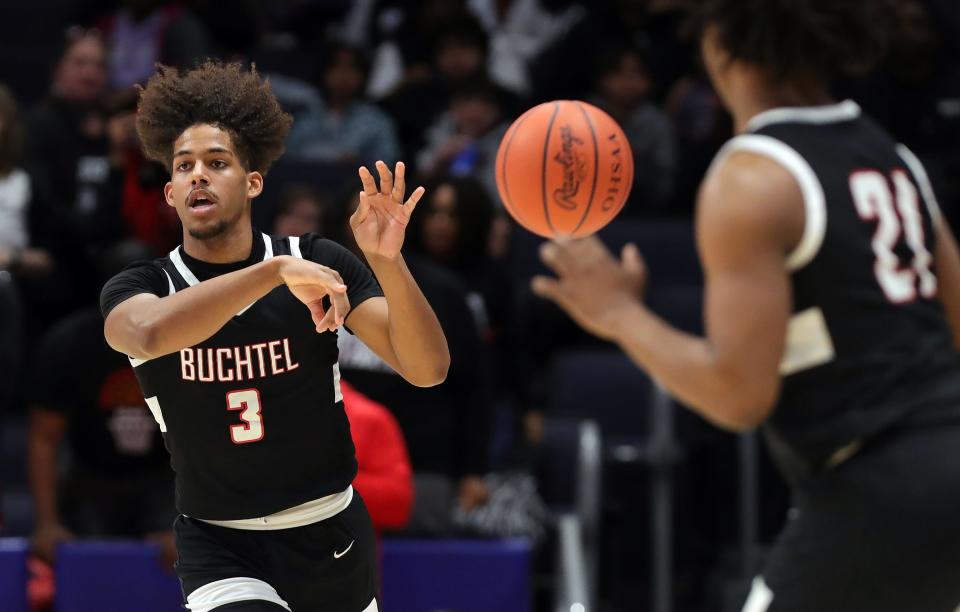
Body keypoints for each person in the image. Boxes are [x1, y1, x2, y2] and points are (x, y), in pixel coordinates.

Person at [530, 1, 960, 610]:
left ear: (721, 43)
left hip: (875, 486)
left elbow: (738, 396)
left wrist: (619, 314)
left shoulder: (751, 175)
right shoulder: (894, 156)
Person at [99, 60, 449, 612]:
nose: (198, 175)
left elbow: (427, 369)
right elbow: (143, 335)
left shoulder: (318, 261)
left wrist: (389, 262)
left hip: (330, 531)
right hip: (220, 543)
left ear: (254, 181)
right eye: (184, 166)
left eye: (217, 163)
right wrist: (272, 273)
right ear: (169, 193)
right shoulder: (144, 285)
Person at [27, 241, 175, 589]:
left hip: (164, 477)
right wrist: (47, 523)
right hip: (91, 478)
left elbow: (204, 436)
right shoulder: (67, 344)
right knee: (89, 569)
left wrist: (193, 520)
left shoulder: (184, 339)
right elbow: (43, 439)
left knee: (189, 557)